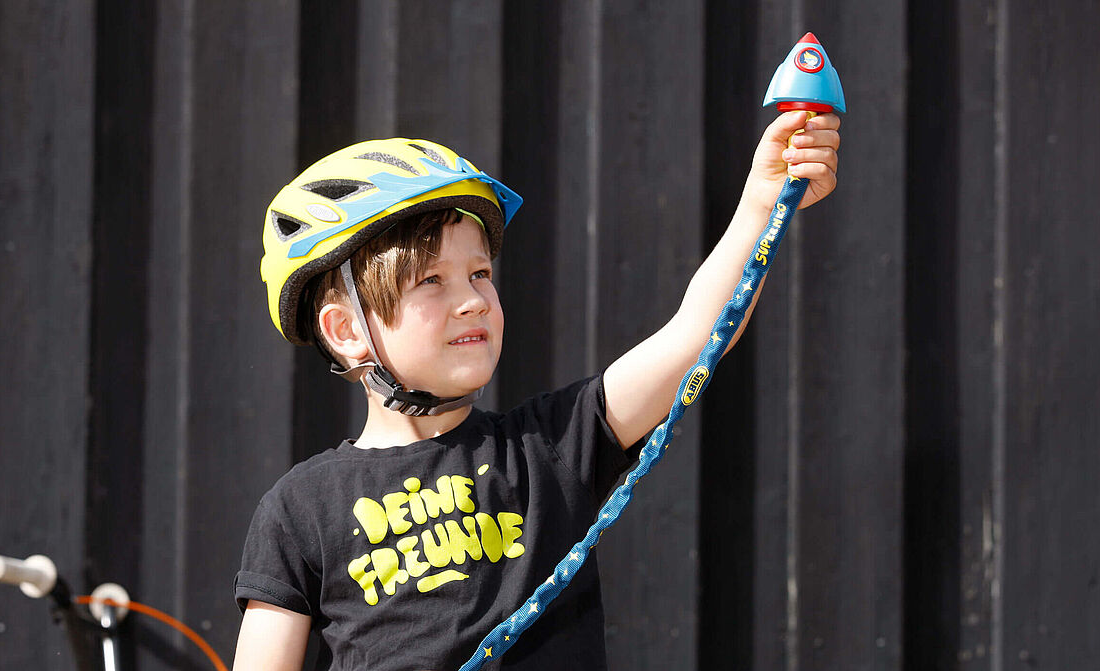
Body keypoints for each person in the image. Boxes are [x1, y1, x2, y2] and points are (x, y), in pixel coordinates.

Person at [234, 111, 840, 670]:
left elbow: (693, 336)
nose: (472, 300)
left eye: (479, 274)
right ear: (346, 331)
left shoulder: (549, 445)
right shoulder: (298, 510)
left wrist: (764, 199)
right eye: (432, 281)